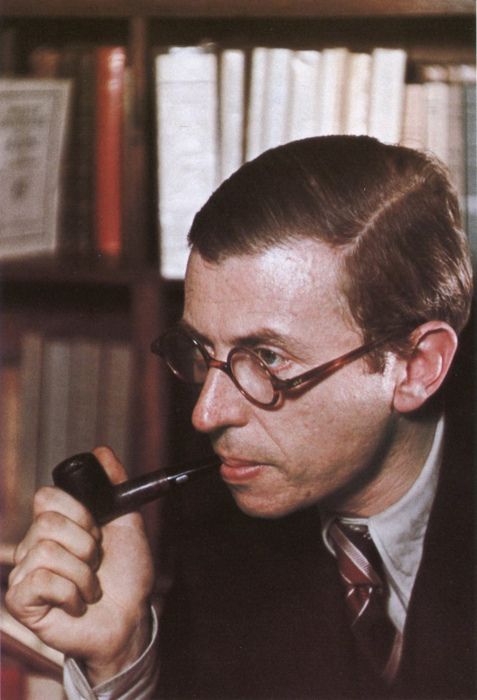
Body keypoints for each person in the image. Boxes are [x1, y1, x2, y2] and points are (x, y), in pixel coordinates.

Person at [6, 135, 474, 699]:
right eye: (203, 351)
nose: (207, 414)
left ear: (417, 367)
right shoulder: (222, 512)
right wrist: (122, 660)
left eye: (269, 359)